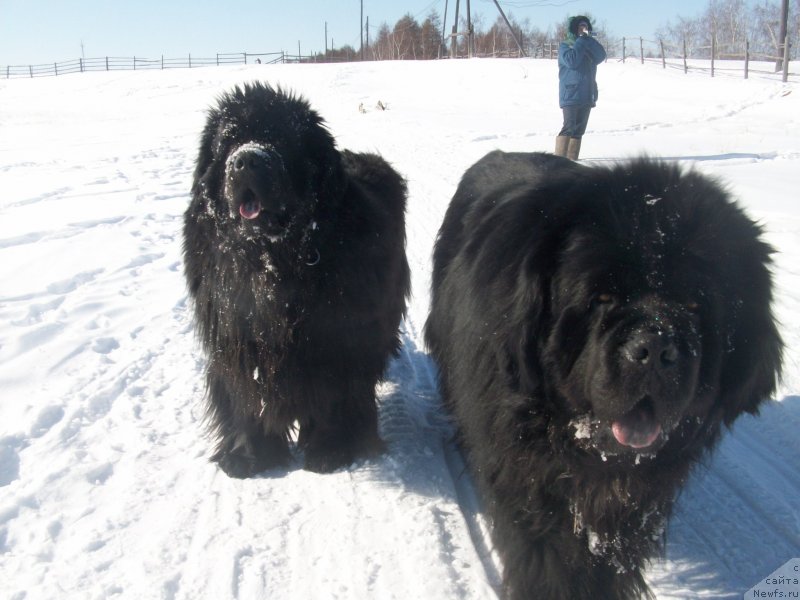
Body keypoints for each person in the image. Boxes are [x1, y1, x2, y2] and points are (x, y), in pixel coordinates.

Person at [555, 16, 606, 161]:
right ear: (574, 29)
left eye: (586, 27)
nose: (584, 29)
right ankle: (558, 162)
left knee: (579, 131)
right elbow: (572, 61)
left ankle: (572, 162)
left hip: (587, 94)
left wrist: (588, 40)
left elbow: (601, 56)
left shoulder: (586, 45)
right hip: (570, 94)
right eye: (580, 27)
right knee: (568, 127)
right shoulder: (566, 46)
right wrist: (582, 41)